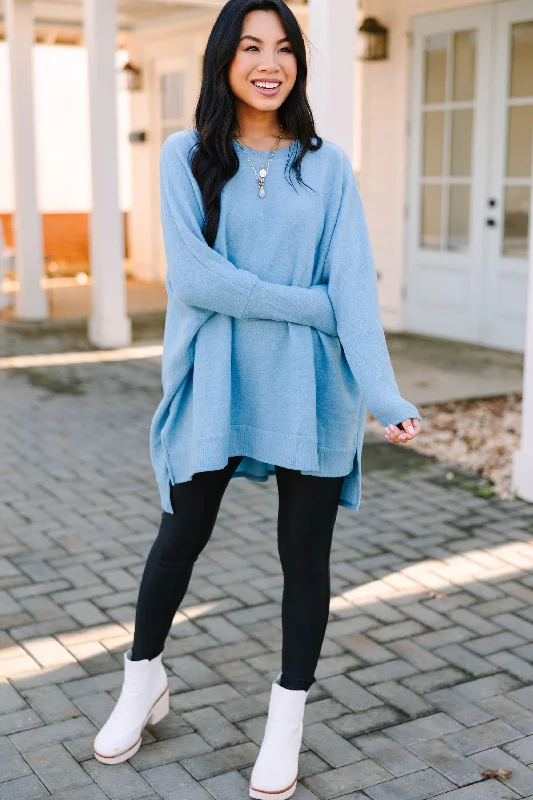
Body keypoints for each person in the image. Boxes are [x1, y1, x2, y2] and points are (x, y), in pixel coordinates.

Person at [93, 1, 422, 796]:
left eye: (283, 49)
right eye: (250, 47)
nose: (268, 63)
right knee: (180, 535)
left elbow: (351, 286)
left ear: (297, 64)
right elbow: (194, 279)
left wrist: (381, 392)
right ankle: (143, 681)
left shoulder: (326, 165)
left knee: (304, 559)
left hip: (312, 385)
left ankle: (287, 715)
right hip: (217, 377)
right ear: (224, 58)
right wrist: (311, 307)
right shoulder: (186, 154)